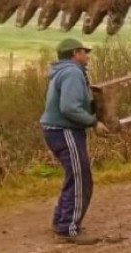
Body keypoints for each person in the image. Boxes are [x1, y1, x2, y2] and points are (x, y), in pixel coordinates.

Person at [40, 38, 108, 245]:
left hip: (58, 130)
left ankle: (62, 221)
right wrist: (93, 122)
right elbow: (69, 107)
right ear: (74, 54)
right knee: (81, 180)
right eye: (84, 52)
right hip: (65, 130)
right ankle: (68, 230)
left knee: (75, 177)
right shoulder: (72, 72)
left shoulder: (62, 71)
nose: (87, 56)